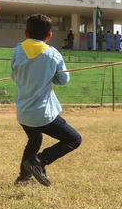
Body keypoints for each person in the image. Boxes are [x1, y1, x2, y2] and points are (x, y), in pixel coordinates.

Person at [12, 14, 82, 186]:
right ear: (49, 35)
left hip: (22, 112)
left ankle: (24, 178)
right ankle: (40, 161)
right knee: (73, 139)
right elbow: (63, 80)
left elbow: (14, 75)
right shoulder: (52, 54)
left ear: (26, 33)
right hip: (41, 113)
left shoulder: (17, 49)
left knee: (35, 139)